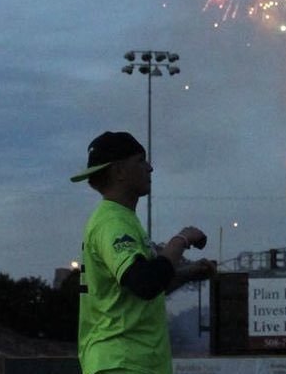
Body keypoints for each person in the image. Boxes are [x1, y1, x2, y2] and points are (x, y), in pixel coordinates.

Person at [70, 131, 216, 374]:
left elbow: (143, 291)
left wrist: (189, 273)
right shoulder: (112, 222)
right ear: (118, 172)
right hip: (122, 361)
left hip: (129, 362)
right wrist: (180, 241)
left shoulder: (121, 219)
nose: (150, 168)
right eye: (140, 161)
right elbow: (144, 282)